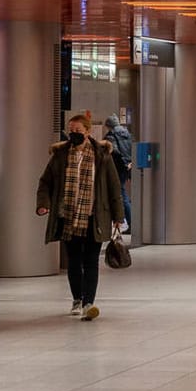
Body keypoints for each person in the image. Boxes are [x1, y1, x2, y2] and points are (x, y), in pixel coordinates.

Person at [37, 113, 126, 321]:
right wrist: (43, 204)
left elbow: (114, 188)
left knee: (91, 260)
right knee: (74, 261)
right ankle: (77, 299)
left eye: (78, 131)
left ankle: (89, 303)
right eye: (71, 131)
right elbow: (45, 182)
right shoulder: (60, 155)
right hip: (68, 215)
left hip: (93, 216)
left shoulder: (102, 155)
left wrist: (118, 216)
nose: (74, 134)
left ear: (88, 132)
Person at [102, 115, 134, 233]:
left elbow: (114, 151)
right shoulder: (127, 134)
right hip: (128, 166)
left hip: (118, 167)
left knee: (120, 195)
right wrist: (129, 162)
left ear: (109, 126)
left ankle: (130, 222)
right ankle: (131, 223)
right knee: (122, 193)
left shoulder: (111, 136)